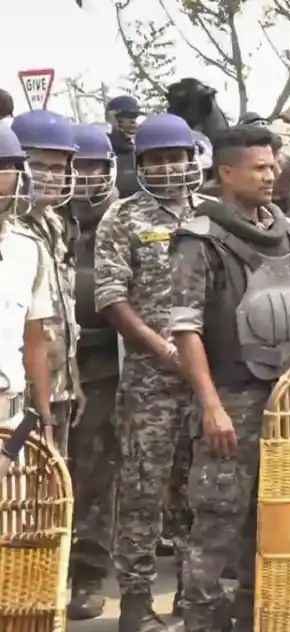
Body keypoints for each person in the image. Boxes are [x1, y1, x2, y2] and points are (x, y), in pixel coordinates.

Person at [168, 124, 290, 631]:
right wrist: (210, 406)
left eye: (273, 166)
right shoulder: (198, 240)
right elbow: (185, 329)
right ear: (226, 173)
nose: (271, 176)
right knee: (217, 523)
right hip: (233, 398)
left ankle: (260, 616)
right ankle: (201, 621)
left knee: (276, 520)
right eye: (258, 168)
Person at [95, 113, 210, 631]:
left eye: (175, 158)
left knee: (197, 491)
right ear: (140, 164)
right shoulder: (122, 218)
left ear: (191, 159)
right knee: (143, 492)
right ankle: (136, 602)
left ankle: (191, 593)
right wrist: (163, 351)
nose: (167, 167)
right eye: (156, 160)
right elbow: (110, 298)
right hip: (150, 383)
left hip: (204, 382)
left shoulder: (211, 214)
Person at [63, 123, 121, 621]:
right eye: (76, 166)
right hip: (47, 362)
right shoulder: (46, 218)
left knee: (94, 469)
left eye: (93, 167)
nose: (84, 176)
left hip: (103, 363)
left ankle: (87, 573)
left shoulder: (123, 218)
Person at [11, 110, 82, 457]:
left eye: (59, 168)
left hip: (58, 387)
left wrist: (72, 379)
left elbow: (64, 312)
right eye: (38, 166)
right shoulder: (9, 228)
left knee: (56, 480)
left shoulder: (54, 223)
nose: (51, 177)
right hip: (18, 393)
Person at [0, 124, 55, 478]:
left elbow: (35, 341)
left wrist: (45, 420)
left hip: (12, 425)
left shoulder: (28, 249)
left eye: (4, 166)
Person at [107, 95, 143, 198]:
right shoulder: (102, 151)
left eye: (135, 117)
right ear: (112, 119)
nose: (134, 122)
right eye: (127, 116)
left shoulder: (141, 151)